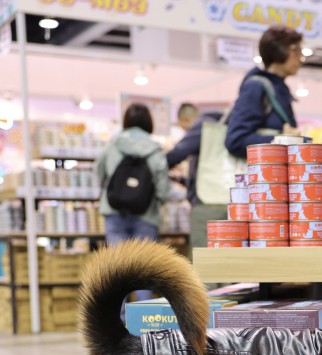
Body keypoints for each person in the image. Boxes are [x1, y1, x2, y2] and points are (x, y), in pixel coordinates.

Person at [95, 103, 170, 301]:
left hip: (114, 209)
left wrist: (106, 188)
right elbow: (162, 182)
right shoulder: (154, 148)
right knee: (144, 268)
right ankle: (143, 321)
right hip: (146, 214)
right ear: (149, 123)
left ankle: (117, 323)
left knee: (117, 269)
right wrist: (160, 200)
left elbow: (99, 170)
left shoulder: (113, 143)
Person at [224, 25, 302, 158]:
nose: (300, 58)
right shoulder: (255, 87)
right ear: (282, 50)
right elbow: (235, 141)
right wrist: (281, 139)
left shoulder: (280, 88)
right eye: (297, 50)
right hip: (257, 175)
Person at [165, 102, 226, 245]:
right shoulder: (223, 127)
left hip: (207, 203)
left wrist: (158, 162)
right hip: (227, 199)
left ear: (184, 119)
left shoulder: (202, 126)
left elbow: (176, 155)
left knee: (201, 258)